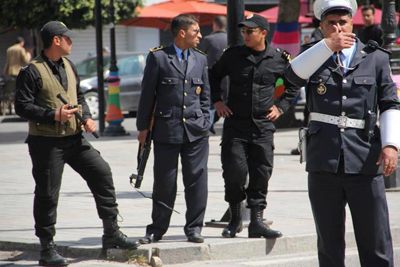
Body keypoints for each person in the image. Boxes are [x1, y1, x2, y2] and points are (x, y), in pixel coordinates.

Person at [14, 21, 140, 266]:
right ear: (56, 40)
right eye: (68, 38)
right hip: (46, 143)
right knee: (48, 194)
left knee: (102, 173)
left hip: (74, 139)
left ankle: (111, 233)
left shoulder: (69, 65)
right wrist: (53, 115)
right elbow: (22, 106)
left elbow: (79, 97)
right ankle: (47, 248)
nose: (72, 41)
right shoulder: (31, 70)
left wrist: (88, 118)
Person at [285, 0, 398, 266]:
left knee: (375, 239)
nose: (337, 28)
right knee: (329, 242)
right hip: (324, 160)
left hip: (365, 158)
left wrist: (391, 144)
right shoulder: (311, 56)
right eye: (331, 23)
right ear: (321, 27)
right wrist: (325, 48)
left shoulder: (375, 57)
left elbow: (390, 103)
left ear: (352, 23)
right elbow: (291, 77)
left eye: (343, 22)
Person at [208, 14, 298, 239]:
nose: (245, 35)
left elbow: (293, 84)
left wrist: (281, 107)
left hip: (263, 127)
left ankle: (257, 222)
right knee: (234, 173)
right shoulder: (233, 55)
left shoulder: (279, 58)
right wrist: (217, 101)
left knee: (261, 174)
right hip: (235, 126)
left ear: (263, 33)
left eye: (250, 31)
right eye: (244, 31)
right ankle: (236, 219)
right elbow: (213, 76)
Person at [136, 14, 210, 244]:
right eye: (196, 31)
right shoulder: (158, 57)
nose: (200, 35)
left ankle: (195, 228)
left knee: (197, 181)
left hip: (196, 131)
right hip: (167, 129)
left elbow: (205, 95)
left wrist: (206, 121)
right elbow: (147, 95)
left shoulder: (200, 59)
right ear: (182, 33)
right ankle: (157, 228)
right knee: (164, 182)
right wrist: (142, 128)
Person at [198, 16, 228, 134]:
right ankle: (213, 123)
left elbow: (198, 55)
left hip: (210, 76)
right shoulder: (231, 38)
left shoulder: (208, 39)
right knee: (226, 102)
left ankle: (208, 123)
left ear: (215, 25)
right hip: (228, 78)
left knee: (210, 103)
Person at [2, 36, 31, 115]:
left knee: (9, 91)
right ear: (22, 42)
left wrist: (4, 73)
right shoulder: (21, 49)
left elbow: (7, 62)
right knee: (19, 90)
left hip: (10, 73)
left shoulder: (9, 49)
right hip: (18, 73)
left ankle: (9, 107)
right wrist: (28, 54)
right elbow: (26, 60)